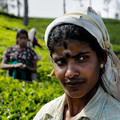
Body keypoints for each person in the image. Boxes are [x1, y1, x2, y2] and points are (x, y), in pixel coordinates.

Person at [34, 7, 120, 120]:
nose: (70, 73)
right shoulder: (46, 114)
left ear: (102, 58)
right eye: (60, 61)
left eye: (82, 58)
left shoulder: (114, 115)